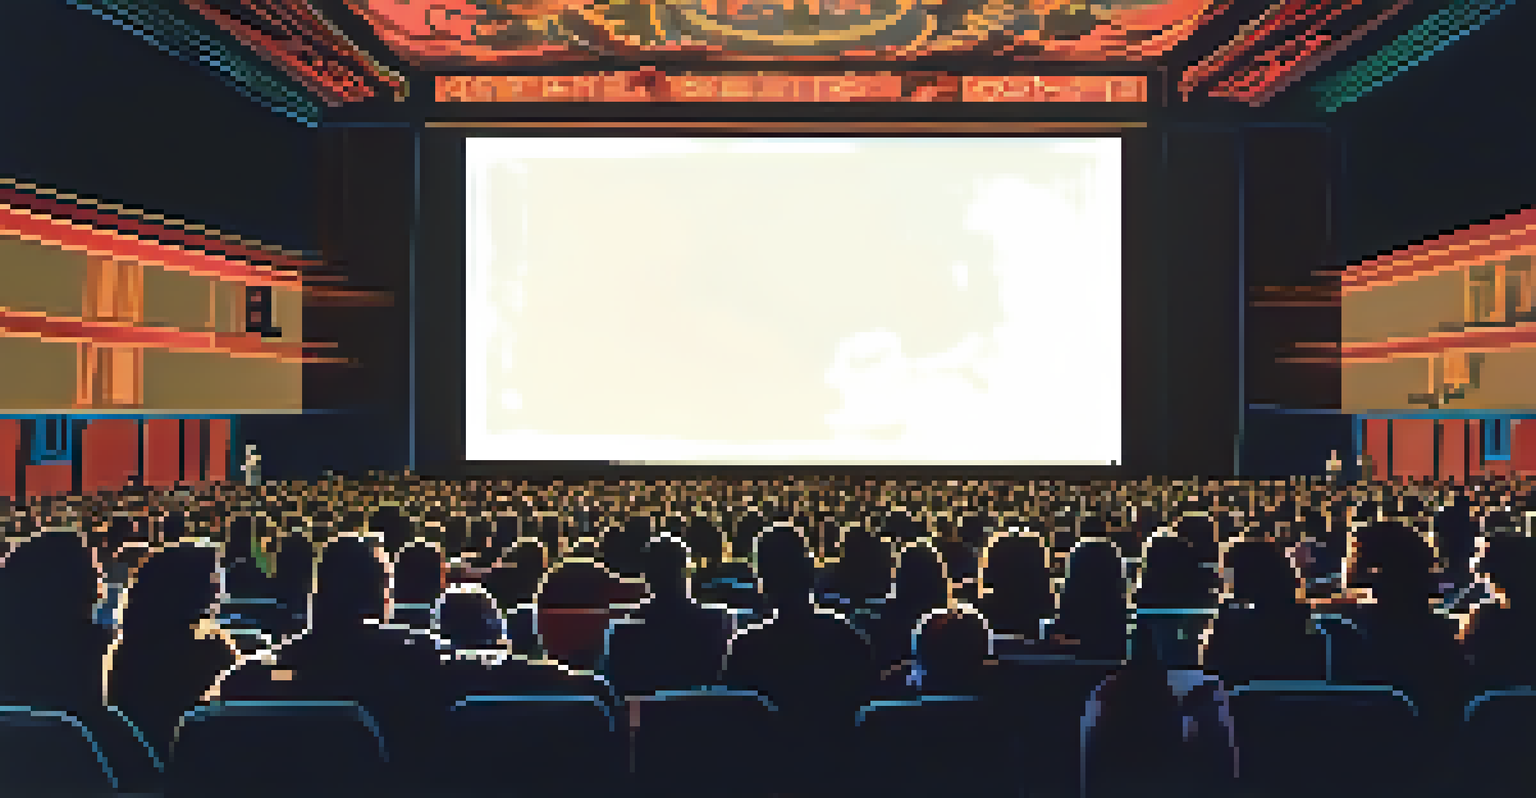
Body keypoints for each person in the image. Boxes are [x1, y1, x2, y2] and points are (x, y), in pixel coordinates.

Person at [721, 521, 878, 797]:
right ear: (810, 573)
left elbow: (735, 731)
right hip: (838, 777)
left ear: (763, 582)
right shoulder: (848, 637)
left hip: (770, 779)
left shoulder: (746, 647)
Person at [600, 534, 735, 699]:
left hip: (645, 721)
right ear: (687, 571)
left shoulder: (624, 631)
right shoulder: (718, 621)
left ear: (646, 576)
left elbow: (616, 689)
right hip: (701, 718)